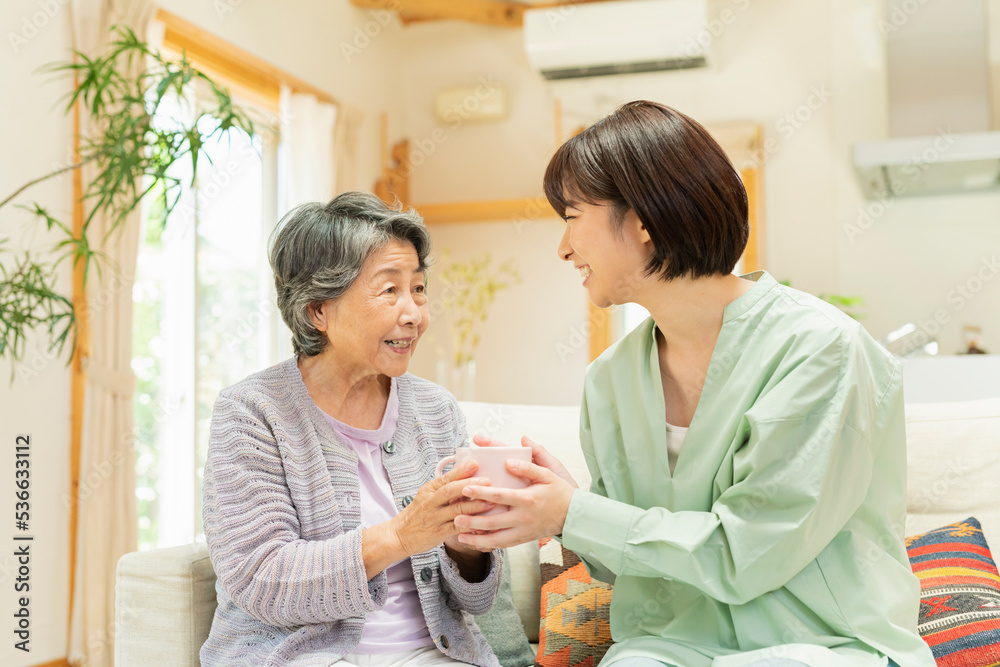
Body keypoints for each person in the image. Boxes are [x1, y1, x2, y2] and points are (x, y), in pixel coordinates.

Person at [453, 101, 935, 667]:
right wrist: (568, 505)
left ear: (642, 221)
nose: (562, 247)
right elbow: (624, 561)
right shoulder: (609, 381)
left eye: (573, 216)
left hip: (821, 644)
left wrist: (574, 514)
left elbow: (747, 553)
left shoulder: (820, 349)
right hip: (668, 645)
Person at [200, 191, 503, 667]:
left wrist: (465, 540)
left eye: (418, 289)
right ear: (318, 309)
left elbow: (477, 601)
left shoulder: (436, 408)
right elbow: (262, 578)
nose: (415, 314)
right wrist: (404, 534)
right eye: (389, 291)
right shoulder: (253, 412)